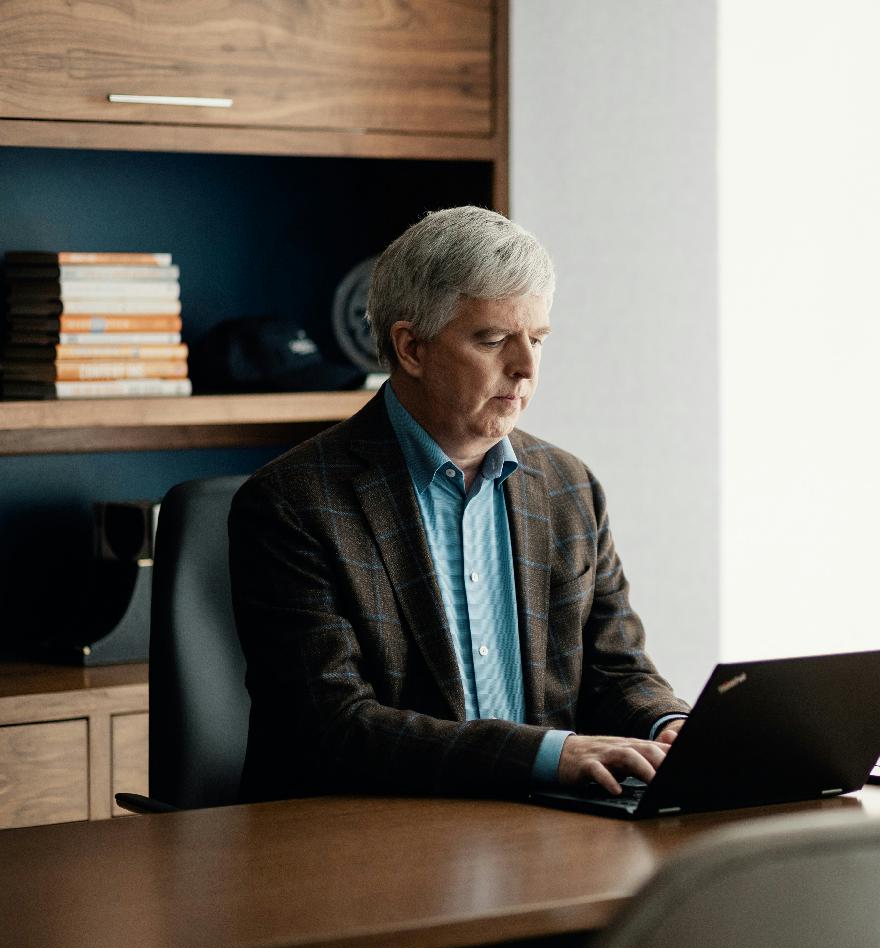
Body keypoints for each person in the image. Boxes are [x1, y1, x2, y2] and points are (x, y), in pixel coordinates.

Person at [230, 206, 689, 802]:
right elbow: (335, 727)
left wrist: (669, 726)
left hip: (549, 826)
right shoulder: (292, 504)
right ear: (411, 348)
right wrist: (550, 755)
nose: (525, 367)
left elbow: (616, 669)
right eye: (495, 339)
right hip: (370, 839)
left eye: (538, 339)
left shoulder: (568, 486)